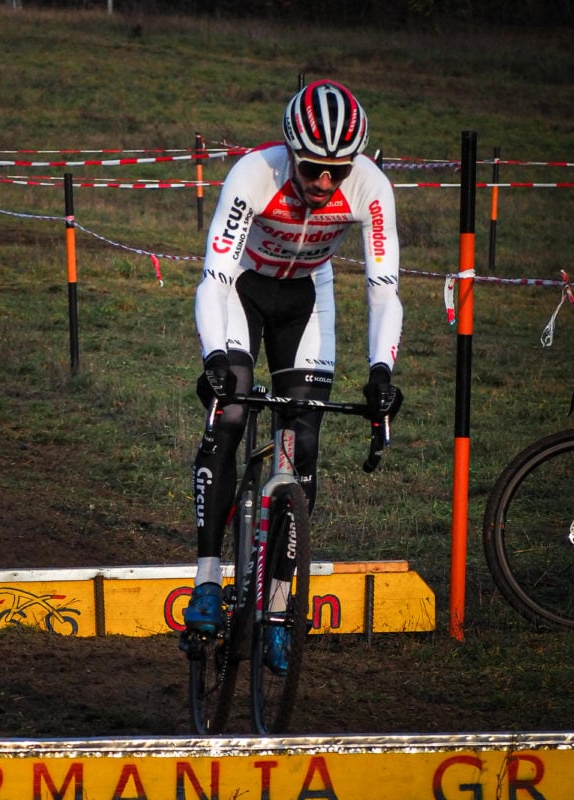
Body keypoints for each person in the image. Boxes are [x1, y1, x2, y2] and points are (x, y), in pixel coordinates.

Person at [184, 79, 404, 674]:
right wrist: (216, 359)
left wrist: (381, 371)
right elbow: (215, 276)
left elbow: (383, 290)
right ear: (291, 153)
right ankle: (206, 581)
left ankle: (279, 607)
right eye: (313, 169)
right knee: (228, 415)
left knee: (302, 443)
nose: (325, 183)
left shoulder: (370, 188)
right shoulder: (255, 173)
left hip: (308, 295)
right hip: (243, 290)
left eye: (338, 170)